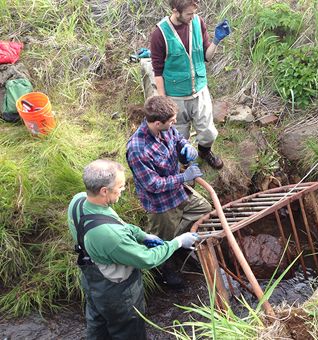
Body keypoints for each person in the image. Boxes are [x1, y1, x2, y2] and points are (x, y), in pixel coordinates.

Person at [67, 159, 199, 339]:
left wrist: (143, 236)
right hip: (117, 293)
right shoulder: (110, 236)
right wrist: (176, 242)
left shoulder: (79, 200)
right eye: (120, 187)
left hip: (92, 281)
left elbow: (115, 222)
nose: (123, 190)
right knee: (129, 331)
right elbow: (147, 259)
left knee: (97, 324)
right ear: (104, 191)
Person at [126, 95, 212, 286]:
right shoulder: (137, 149)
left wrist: (186, 147)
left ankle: (179, 244)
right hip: (161, 204)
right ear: (157, 123)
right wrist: (184, 177)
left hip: (178, 192)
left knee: (205, 210)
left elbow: (178, 138)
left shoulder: (165, 129)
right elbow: (153, 185)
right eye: (171, 121)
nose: (174, 123)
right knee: (161, 240)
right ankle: (166, 270)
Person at [150, 0, 231, 169]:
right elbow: (158, 71)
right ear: (175, 11)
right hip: (175, 96)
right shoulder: (160, 34)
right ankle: (184, 165)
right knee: (179, 135)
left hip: (199, 91)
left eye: (194, 12)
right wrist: (164, 102)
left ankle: (204, 152)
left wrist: (216, 40)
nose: (192, 17)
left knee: (208, 132)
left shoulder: (197, 22)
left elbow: (206, 56)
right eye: (188, 14)